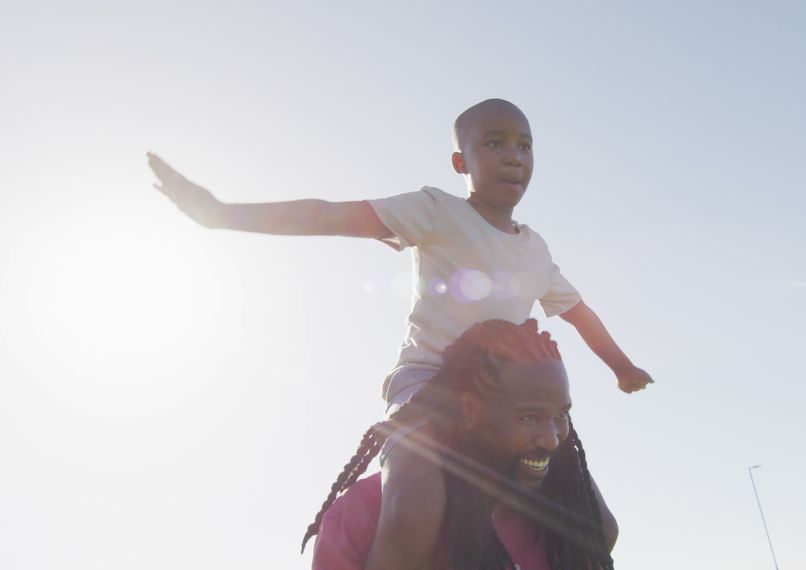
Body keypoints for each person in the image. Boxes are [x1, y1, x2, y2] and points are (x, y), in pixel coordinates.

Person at [148, 98, 648, 569]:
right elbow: (330, 214)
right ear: (461, 163)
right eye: (494, 144)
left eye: (524, 145)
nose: (513, 157)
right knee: (413, 509)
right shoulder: (436, 211)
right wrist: (221, 214)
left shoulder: (535, 249)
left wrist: (621, 367)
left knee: (599, 527)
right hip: (430, 389)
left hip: (511, 400)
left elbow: (579, 312)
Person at [303, 319, 617, 570]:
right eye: (530, 418)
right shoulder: (362, 514)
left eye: (561, 415)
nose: (551, 440)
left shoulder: (565, 523)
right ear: (469, 411)